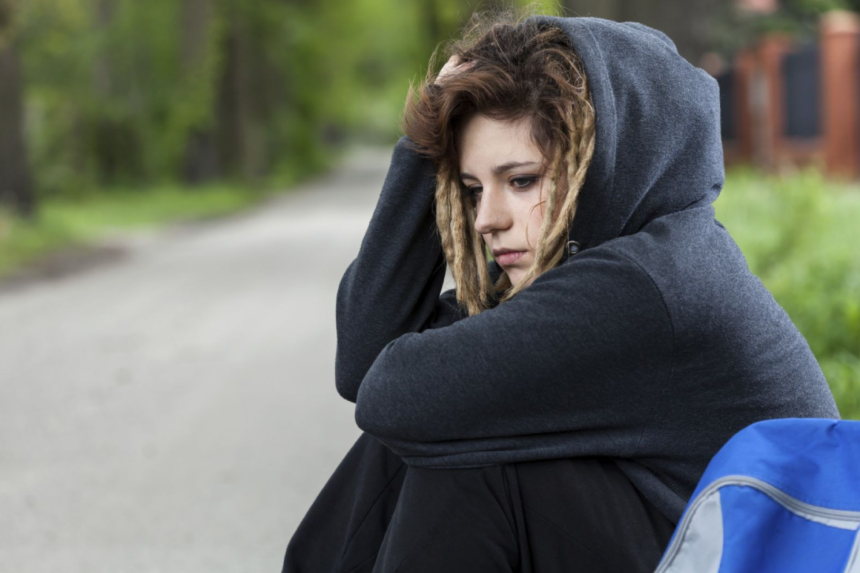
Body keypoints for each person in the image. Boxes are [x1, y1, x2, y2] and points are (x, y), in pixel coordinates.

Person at [282, 8, 840, 573]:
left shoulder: (648, 284)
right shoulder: (619, 263)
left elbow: (392, 394)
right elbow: (365, 363)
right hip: (678, 543)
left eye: (521, 180)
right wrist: (425, 147)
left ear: (600, 165)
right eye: (472, 189)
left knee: (466, 456)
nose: (487, 219)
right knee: (447, 425)